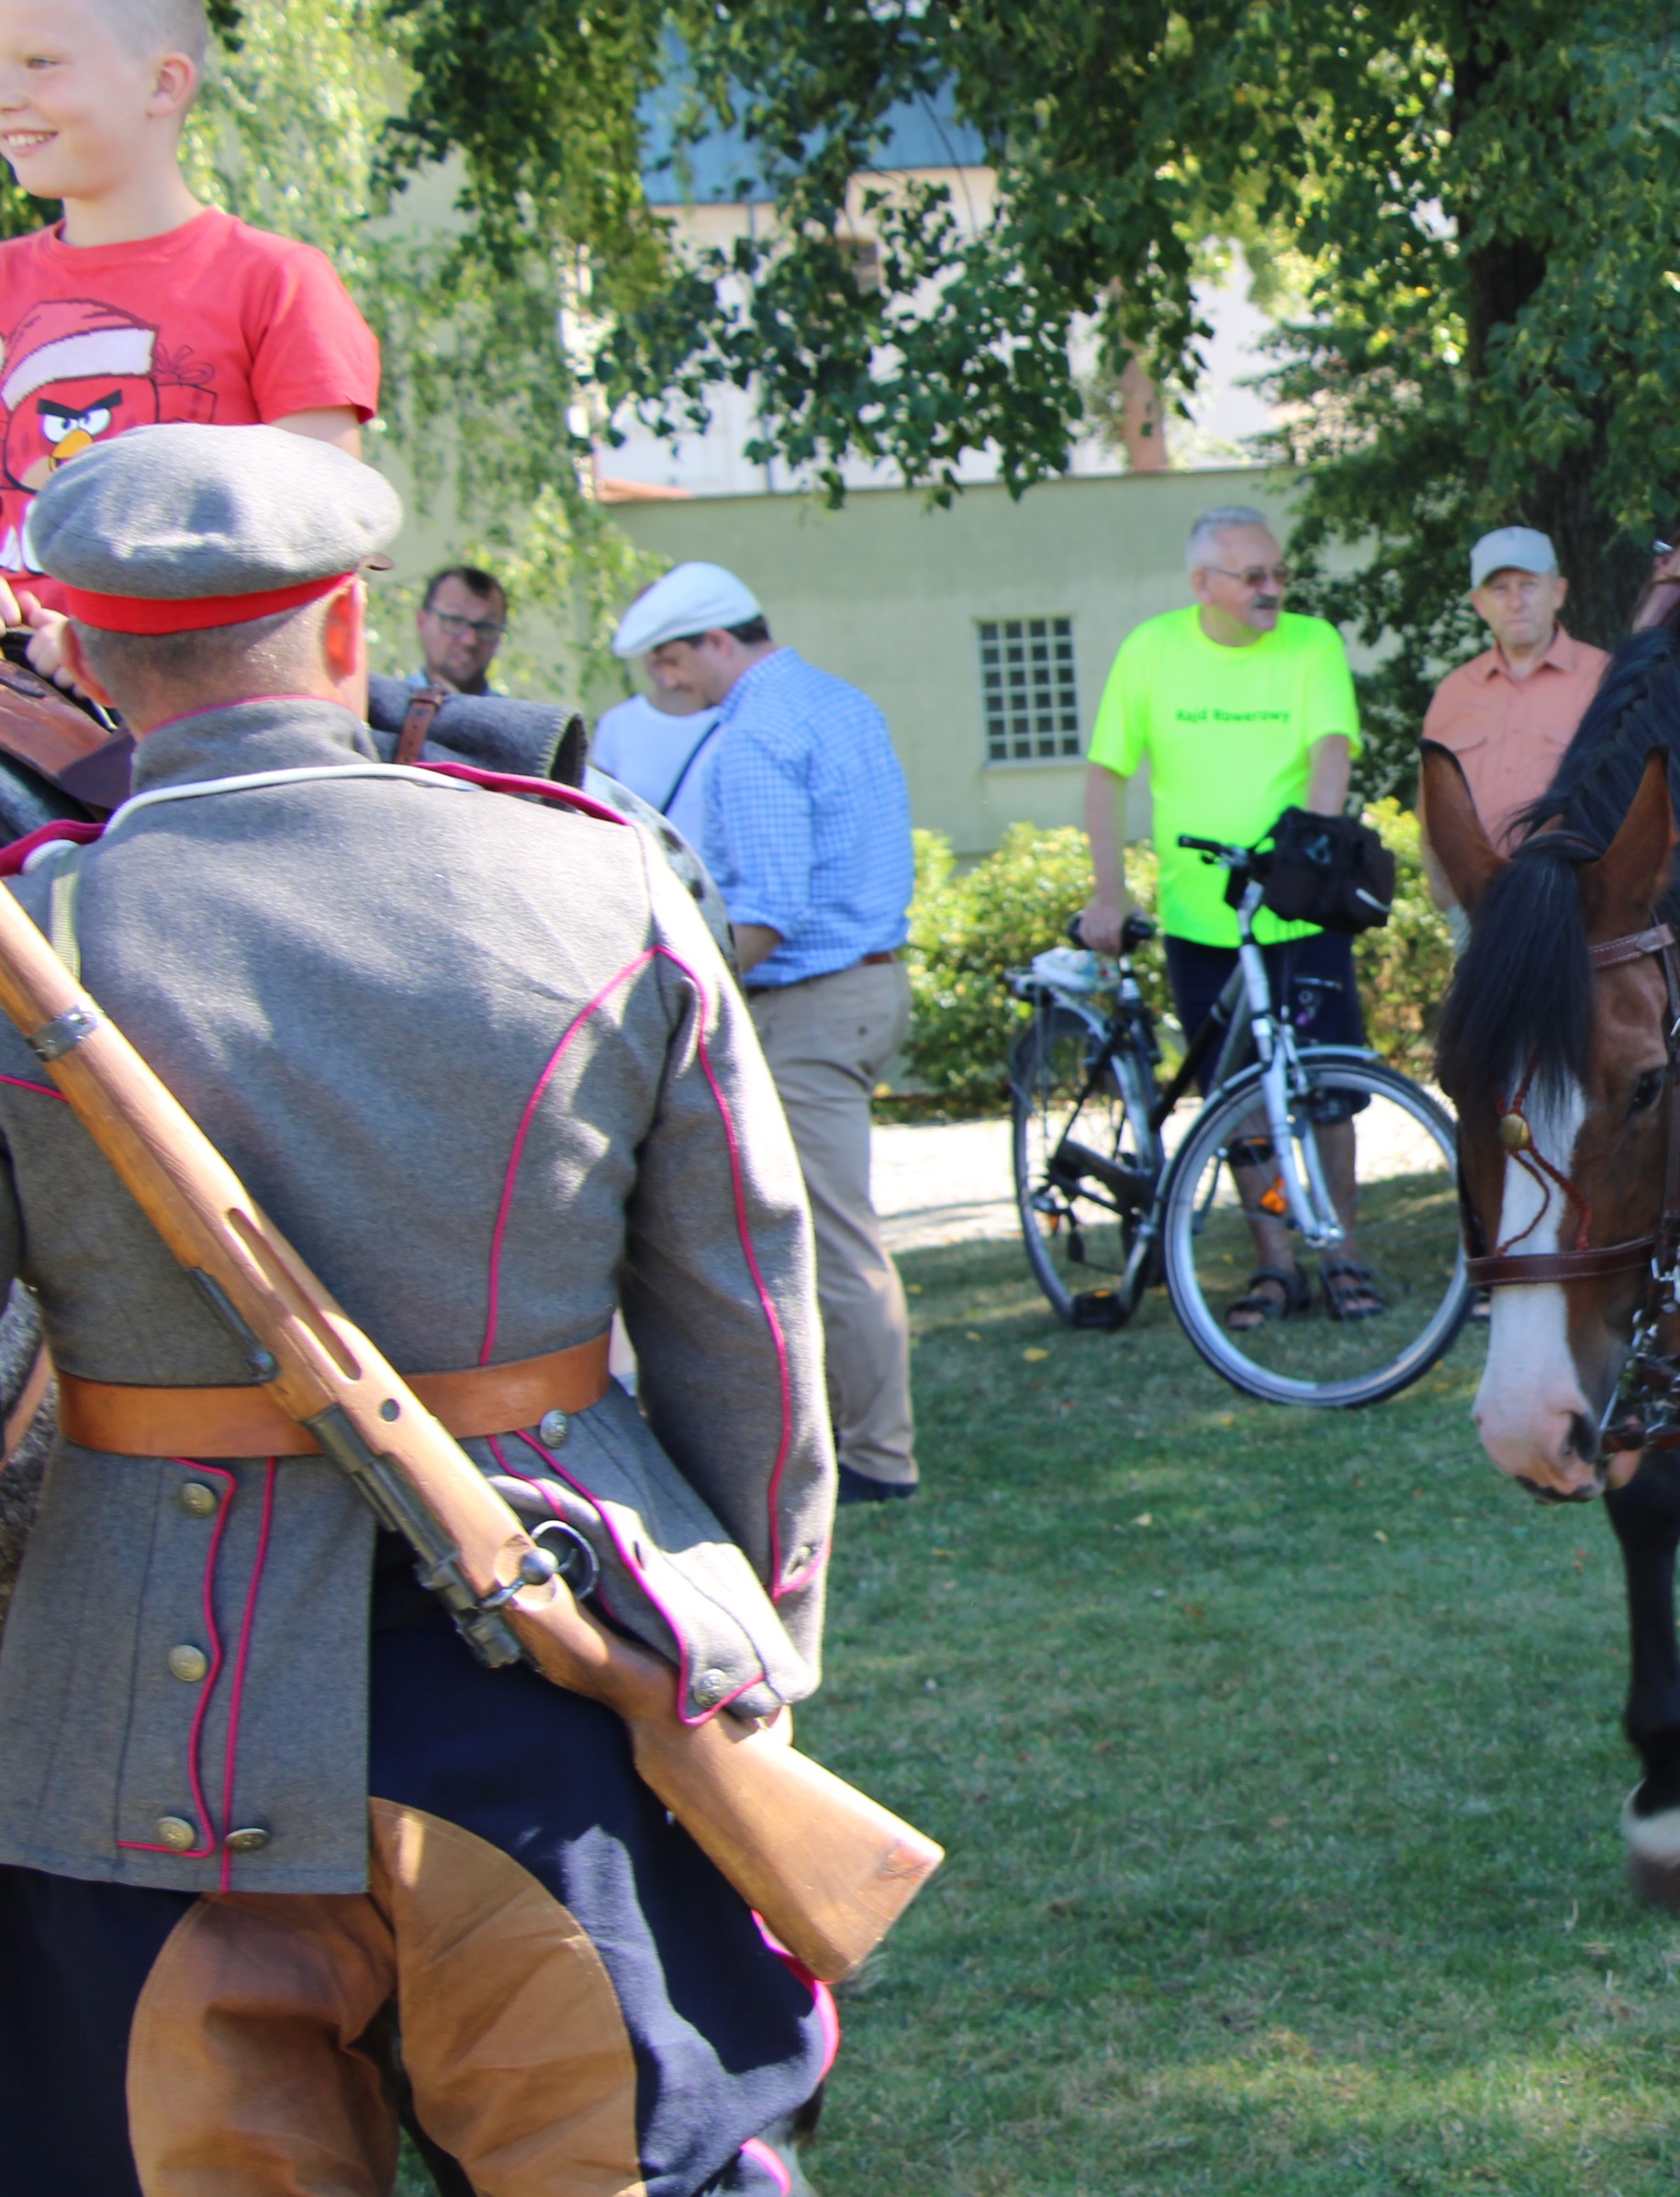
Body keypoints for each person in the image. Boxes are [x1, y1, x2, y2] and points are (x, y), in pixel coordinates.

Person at [0, 423, 834, 2191]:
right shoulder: (593, 877)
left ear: (74, 649)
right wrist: (748, 1638)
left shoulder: (41, 927)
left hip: (129, 1737)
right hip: (559, 1681)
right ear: (345, 625)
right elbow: (745, 1317)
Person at [643, 577, 921, 1500]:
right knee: (831, 1230)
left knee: (830, 1240)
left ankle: (877, 1457)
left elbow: (768, 908)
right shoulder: (839, 699)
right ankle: (853, 1438)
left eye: (670, 659)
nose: (664, 680)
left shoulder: (754, 734)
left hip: (809, 1001)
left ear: (716, 642)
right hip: (872, 983)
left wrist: (676, 973)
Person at [1081, 505, 1381, 1329]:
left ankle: (1342, 1254)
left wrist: (1308, 857)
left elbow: (1331, 750)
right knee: (1241, 1101)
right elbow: (1106, 774)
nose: (1273, 588)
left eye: (1280, 573)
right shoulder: (1151, 649)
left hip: (1300, 914)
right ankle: (1274, 1265)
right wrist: (1109, 892)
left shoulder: (1310, 644)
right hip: (1200, 921)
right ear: (1202, 583)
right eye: (1254, 576)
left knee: (1328, 1089)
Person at [0, 0, 376, 651]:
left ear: (163, 83)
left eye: (41, 63)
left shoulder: (276, 283)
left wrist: (113, 648)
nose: (7, 95)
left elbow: (322, 549)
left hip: (196, 728)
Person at [1418, 524, 1607, 898]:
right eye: (1500, 588)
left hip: (1573, 901)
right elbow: (1431, 799)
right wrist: (1443, 891)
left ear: (1558, 592)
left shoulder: (1605, 679)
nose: (1515, 601)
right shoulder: (1453, 692)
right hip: (1476, 900)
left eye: (1529, 584)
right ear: (1479, 603)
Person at [597, 561, 741, 857]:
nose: (659, 651)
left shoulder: (736, 721)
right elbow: (599, 818)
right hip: (645, 888)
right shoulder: (618, 724)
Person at [412, 561, 508, 694]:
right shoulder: (382, 708)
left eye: (486, 627)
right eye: (455, 621)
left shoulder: (511, 714)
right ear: (421, 621)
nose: (470, 641)